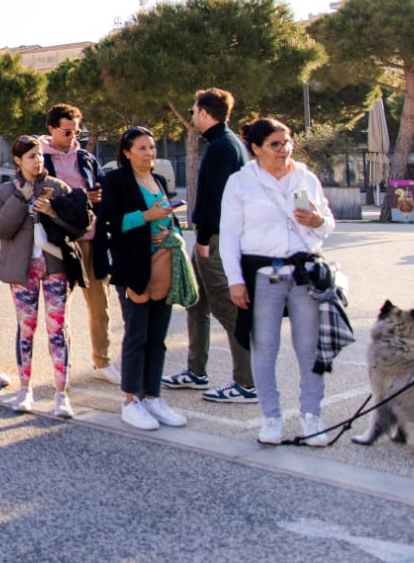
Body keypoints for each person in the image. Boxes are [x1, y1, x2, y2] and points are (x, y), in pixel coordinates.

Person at [220, 118, 336, 445]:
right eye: (275, 144)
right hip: (262, 274)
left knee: (308, 347)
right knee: (265, 347)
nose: (284, 149)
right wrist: (235, 281)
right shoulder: (240, 183)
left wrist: (318, 220)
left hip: (303, 273)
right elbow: (229, 236)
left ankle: (312, 416)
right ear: (255, 148)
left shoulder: (305, 177)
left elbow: (327, 222)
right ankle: (271, 417)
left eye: (287, 142)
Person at [161, 88, 256, 403]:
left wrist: (202, 242)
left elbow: (216, 200)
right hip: (213, 237)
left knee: (227, 310)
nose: (190, 116)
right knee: (195, 303)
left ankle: (247, 383)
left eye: (192, 110)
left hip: (214, 240)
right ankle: (196, 371)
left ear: (204, 112)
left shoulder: (220, 148)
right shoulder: (229, 144)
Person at [100, 126, 189, 431]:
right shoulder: (116, 180)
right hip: (134, 269)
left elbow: (173, 221)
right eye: (141, 148)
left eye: (151, 148)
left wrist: (171, 232)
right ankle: (130, 401)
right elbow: (109, 222)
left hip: (163, 266)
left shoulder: (160, 180)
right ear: (126, 152)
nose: (149, 154)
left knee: (157, 338)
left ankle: (152, 396)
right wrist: (146, 217)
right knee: (136, 335)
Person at [0, 136, 82, 418]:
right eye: (30, 156)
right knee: (25, 329)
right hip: (22, 269)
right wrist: (21, 198)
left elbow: (76, 225)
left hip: (55, 266)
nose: (37, 160)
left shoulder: (58, 188)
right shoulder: (5, 192)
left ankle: (61, 393)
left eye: (39, 155)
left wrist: (52, 210)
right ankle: (25, 388)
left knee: (57, 329)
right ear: (17, 160)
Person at [41, 104, 119, 385]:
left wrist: (98, 196)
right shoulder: (41, 161)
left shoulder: (86, 158)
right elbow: (40, 200)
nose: (73, 135)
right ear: (51, 129)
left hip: (93, 239)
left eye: (76, 130)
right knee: (59, 308)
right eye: (66, 130)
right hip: (61, 242)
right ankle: (63, 365)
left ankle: (103, 361)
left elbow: (102, 191)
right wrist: (80, 196)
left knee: (100, 306)